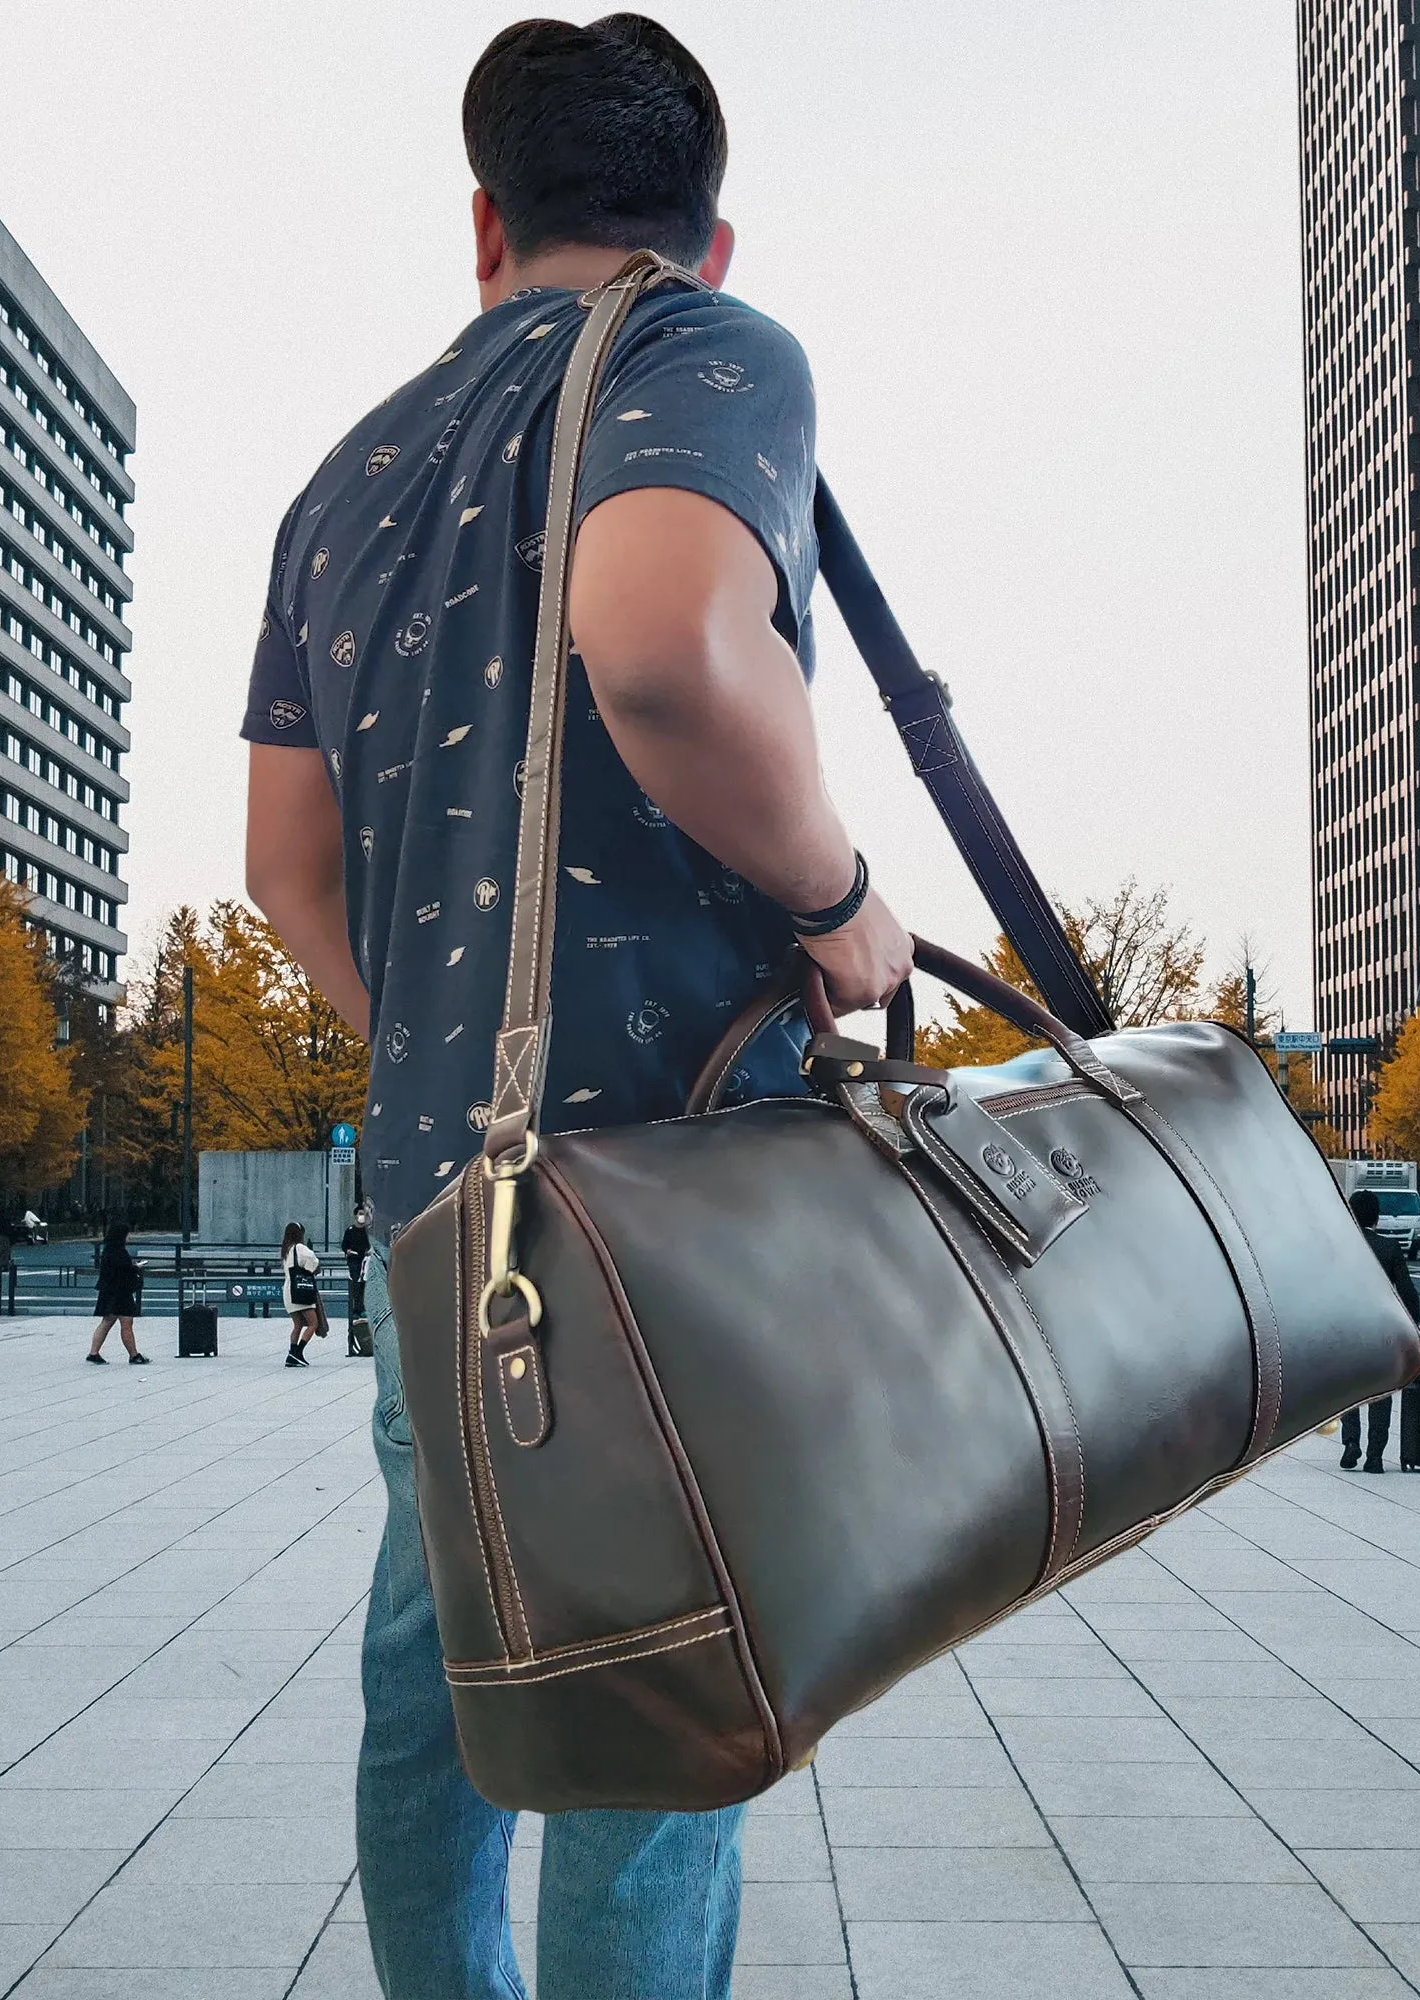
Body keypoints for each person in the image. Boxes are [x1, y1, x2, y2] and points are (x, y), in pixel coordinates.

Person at [241, 19, 912, 1996]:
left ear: (482, 222)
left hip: (442, 1201)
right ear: (709, 235)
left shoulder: (340, 474)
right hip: (669, 1185)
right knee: (647, 1704)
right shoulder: (713, 355)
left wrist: (441, 1035)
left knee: (433, 1649)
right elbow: (670, 657)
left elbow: (286, 875)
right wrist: (845, 900)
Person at [1343, 1187, 1420, 1472]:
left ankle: (1351, 1441)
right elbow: (1407, 1292)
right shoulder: (1389, 1248)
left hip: (1349, 1329)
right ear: (1376, 1217)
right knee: (1381, 1392)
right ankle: (1375, 1454)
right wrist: (1414, 1324)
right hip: (1383, 1331)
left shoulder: (1337, 1247)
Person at [88, 1223, 147, 1364]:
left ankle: (93, 1353)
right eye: (127, 1234)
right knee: (126, 1322)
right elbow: (123, 1270)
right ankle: (133, 1355)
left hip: (109, 1292)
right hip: (119, 1293)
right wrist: (135, 1268)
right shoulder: (118, 1252)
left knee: (107, 1321)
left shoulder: (110, 1250)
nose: (129, 1237)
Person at [282, 1220, 323, 1366]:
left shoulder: (286, 1250)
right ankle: (297, 1352)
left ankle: (291, 1355)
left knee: (297, 1325)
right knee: (313, 1323)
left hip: (288, 1291)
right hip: (301, 1291)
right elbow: (313, 1264)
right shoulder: (300, 1248)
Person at [341, 1205, 372, 1323]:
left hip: (365, 1261)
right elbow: (344, 1245)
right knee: (356, 1285)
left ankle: (363, 1308)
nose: (362, 1216)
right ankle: (356, 1309)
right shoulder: (350, 1231)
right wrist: (347, 1251)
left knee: (364, 1285)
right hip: (354, 1261)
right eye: (360, 1213)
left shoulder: (367, 1231)